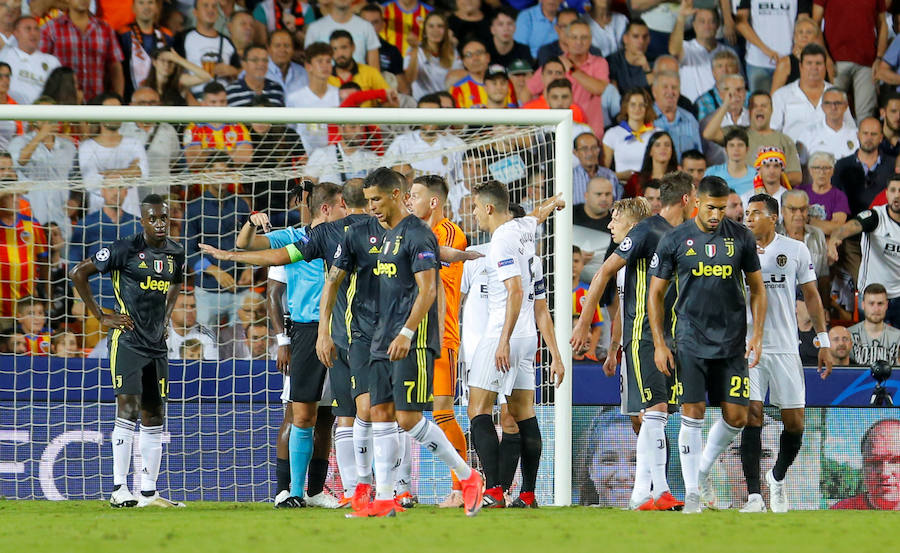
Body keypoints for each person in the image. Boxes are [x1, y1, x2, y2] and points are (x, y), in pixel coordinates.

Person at [350, 168, 485, 517]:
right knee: (380, 413)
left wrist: (408, 333)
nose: (372, 208)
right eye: (367, 202)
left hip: (412, 339)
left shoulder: (418, 233)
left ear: (397, 195)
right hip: (381, 336)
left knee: (409, 419)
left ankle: (469, 478)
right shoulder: (383, 234)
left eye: (376, 200)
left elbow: (428, 290)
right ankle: (383, 499)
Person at [573, 172, 695, 511]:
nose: (610, 224)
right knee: (650, 414)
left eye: (615, 217)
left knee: (657, 416)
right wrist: (584, 323)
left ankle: (647, 493)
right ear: (687, 198)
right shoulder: (646, 232)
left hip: (672, 338)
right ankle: (656, 492)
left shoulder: (678, 237)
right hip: (644, 336)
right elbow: (603, 276)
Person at [648, 175, 767, 514]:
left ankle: (699, 469)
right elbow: (655, 294)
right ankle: (693, 496)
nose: (717, 215)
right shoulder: (675, 239)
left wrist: (756, 334)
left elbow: (758, 289)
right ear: (696, 202)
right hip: (690, 340)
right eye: (711, 207)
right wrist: (660, 343)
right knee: (693, 413)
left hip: (732, 344)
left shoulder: (741, 238)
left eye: (723, 207)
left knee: (738, 416)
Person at [69, 194, 185, 508]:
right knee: (129, 410)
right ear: (143, 220)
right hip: (128, 341)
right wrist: (100, 315)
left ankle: (149, 493)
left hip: (157, 345)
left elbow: (175, 282)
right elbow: (78, 272)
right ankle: (119, 489)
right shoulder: (126, 248)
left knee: (154, 415)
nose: (160, 223)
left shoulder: (176, 251)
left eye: (164, 217)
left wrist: (165, 316)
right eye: (153, 218)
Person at [468, 178, 564, 509]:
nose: (475, 213)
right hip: (528, 337)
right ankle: (528, 492)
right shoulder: (525, 231)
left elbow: (515, 292)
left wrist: (502, 342)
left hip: (502, 333)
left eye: (477, 207)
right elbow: (536, 216)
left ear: (490, 207)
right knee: (523, 413)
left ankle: (494, 489)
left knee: (477, 409)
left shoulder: (499, 242)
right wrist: (553, 204)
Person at [739, 193, 832, 513]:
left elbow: (812, 296)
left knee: (795, 424)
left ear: (773, 218)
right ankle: (753, 495)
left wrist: (823, 342)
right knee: (752, 415)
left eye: (755, 213)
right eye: (746, 213)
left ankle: (776, 477)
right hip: (748, 346)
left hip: (785, 347)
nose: (748, 218)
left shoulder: (795, 250)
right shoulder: (737, 248)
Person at [406, 175, 471, 508]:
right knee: (405, 412)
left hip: (441, 333)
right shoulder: (416, 234)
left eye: (414, 195)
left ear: (433, 201)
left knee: (443, 411)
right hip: (415, 334)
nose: (408, 201)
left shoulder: (447, 233)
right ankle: (402, 488)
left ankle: (462, 486)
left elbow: (433, 285)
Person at [184, 151, 252, 327]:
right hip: (207, 290)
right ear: (207, 173)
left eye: (226, 172)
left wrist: (250, 267)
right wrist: (213, 269)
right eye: (218, 172)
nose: (222, 177)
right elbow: (187, 250)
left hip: (239, 288)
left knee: (241, 342)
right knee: (205, 343)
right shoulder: (193, 208)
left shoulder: (240, 205)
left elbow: (252, 242)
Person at [68, 180, 142, 314]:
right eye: (111, 187)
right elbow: (74, 263)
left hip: (132, 303)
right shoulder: (87, 224)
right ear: (102, 191)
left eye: (120, 187)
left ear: (126, 192)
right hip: (97, 302)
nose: (115, 192)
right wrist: (78, 300)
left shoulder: (137, 225)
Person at [703, 91, 802, 188]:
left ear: (771, 110)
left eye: (764, 106)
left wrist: (768, 178)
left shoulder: (784, 139)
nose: (759, 109)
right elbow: (709, 134)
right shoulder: (737, 134)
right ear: (749, 111)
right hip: (739, 194)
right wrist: (725, 106)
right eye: (754, 106)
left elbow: (797, 176)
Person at [812, 0, 887, 123]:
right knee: (831, 113)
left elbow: (883, 23)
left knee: (866, 117)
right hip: (835, 61)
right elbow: (815, 23)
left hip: (867, 62)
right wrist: (825, 58)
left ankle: (863, 143)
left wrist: (879, 58)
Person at [78, 93, 149, 214]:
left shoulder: (134, 143)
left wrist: (106, 175)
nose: (115, 114)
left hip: (131, 218)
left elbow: (143, 175)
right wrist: (129, 171)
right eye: (110, 110)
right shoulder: (86, 147)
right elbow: (91, 183)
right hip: (99, 220)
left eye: (118, 110)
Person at [40, 0, 125, 100]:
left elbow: (115, 68)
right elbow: (40, 65)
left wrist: (119, 98)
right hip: (61, 103)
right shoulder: (51, 28)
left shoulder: (105, 29)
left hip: (96, 103)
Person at [771, 44, 853, 143]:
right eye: (809, 63)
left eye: (818, 63)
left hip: (831, 155)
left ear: (825, 66)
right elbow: (772, 132)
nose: (814, 68)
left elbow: (850, 129)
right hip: (792, 155)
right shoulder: (781, 95)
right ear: (801, 66)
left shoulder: (837, 95)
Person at [668, 4, 737, 103]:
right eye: (702, 21)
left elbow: (738, 83)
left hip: (723, 109)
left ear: (718, 25)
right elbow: (673, 50)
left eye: (711, 21)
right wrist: (681, 18)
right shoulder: (686, 48)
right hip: (693, 110)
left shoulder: (729, 53)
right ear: (694, 24)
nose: (707, 26)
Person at [173, 0, 241, 98]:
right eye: (205, 6)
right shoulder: (183, 38)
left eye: (214, 6)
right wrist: (190, 100)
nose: (210, 10)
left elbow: (240, 71)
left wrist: (233, 71)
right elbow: (175, 74)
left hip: (224, 99)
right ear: (195, 12)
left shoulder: (227, 41)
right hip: (196, 97)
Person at [831, 419, 900, 510]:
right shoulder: (841, 511)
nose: (885, 473)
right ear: (863, 467)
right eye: (874, 462)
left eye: (896, 461)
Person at [183, 82, 254, 170]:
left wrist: (208, 153)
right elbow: (192, 161)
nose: (218, 106)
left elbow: (246, 158)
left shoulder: (237, 126)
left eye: (222, 101)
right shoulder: (193, 128)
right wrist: (231, 152)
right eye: (213, 102)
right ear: (203, 104)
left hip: (233, 182)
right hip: (203, 183)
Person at [285, 42, 339, 153]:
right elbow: (290, 131)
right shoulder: (294, 98)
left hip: (335, 159)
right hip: (306, 160)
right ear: (308, 66)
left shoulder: (338, 95)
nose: (325, 66)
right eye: (320, 61)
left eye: (328, 61)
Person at [735, 0, 798, 94]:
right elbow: (740, 22)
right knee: (760, 105)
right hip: (757, 61)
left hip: (788, 61)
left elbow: (803, 21)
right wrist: (766, 50)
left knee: (787, 105)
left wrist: (796, 48)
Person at [118, 0, 174, 102]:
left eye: (150, 2)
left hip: (159, 99)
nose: (146, 7)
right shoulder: (123, 34)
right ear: (133, 8)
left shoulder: (166, 35)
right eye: (141, 3)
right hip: (131, 97)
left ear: (157, 7)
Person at [0, 15, 60, 105]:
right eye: (28, 29)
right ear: (16, 33)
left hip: (44, 116)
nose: (33, 33)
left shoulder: (52, 62)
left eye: (36, 29)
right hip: (10, 115)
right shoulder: (5, 56)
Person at [602, 88, 657, 182]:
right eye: (633, 105)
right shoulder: (612, 134)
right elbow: (603, 172)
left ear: (647, 108)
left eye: (642, 105)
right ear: (625, 107)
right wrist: (620, 175)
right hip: (621, 187)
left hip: (650, 188)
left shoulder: (656, 134)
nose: (637, 109)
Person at [304, 0, 379, 68]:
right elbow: (309, 67)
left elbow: (375, 69)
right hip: (326, 82)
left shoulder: (366, 27)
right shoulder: (314, 28)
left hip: (360, 82)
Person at [403, 11, 460, 100]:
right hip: (423, 103)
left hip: (446, 104)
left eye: (440, 26)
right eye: (431, 26)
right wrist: (415, 50)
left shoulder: (453, 51)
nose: (435, 30)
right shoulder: (414, 50)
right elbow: (409, 80)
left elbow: (459, 79)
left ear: (446, 31)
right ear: (424, 31)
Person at [770, 15, 834, 94]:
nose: (804, 36)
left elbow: (833, 93)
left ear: (816, 37)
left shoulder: (826, 62)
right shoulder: (785, 63)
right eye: (800, 32)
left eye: (809, 32)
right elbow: (774, 96)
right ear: (795, 37)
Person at [779, 189, 830, 287]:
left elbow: (824, 276)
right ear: (782, 211)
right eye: (793, 209)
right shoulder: (774, 236)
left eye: (803, 209)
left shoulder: (817, 234)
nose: (799, 214)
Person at [798, 88, 858, 162]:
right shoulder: (808, 134)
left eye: (838, 103)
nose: (833, 107)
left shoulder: (856, 135)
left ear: (845, 106)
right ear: (822, 107)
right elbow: (799, 166)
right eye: (828, 103)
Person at [305, 123, 378, 184]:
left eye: (362, 127)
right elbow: (307, 186)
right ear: (341, 129)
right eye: (353, 127)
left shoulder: (370, 157)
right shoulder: (322, 154)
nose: (359, 131)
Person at [651, 70, 700, 158]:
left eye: (674, 87)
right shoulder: (645, 117)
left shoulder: (690, 119)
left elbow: (698, 155)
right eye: (665, 87)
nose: (670, 92)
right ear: (654, 91)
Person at [798, 151, 849, 237]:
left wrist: (808, 220)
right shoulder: (800, 191)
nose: (822, 172)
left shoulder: (839, 196)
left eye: (826, 168)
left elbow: (837, 228)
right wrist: (824, 225)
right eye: (817, 168)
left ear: (832, 171)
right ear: (810, 170)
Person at [847, 284, 900, 366]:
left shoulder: (898, 337)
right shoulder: (847, 335)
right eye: (871, 303)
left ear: (886, 305)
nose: (876, 309)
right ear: (863, 305)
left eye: (880, 304)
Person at [573, 176, 614, 283]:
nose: (604, 198)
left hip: (602, 289)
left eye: (608, 194)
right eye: (599, 194)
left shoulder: (616, 222)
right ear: (586, 195)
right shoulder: (569, 215)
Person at [534, 8, 602, 68]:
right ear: (557, 29)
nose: (568, 30)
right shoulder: (546, 52)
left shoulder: (594, 52)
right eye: (564, 26)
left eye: (572, 25)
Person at [623, 131, 677, 200]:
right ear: (650, 151)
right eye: (657, 145)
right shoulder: (635, 180)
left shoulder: (679, 180)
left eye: (667, 145)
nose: (663, 148)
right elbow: (624, 206)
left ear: (672, 150)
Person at [166, 290, 218, 360]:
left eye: (193, 306)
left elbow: (211, 368)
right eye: (183, 307)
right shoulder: (159, 334)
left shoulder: (207, 336)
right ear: (170, 311)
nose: (189, 311)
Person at [694, 50, 743, 123]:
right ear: (713, 72)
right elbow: (704, 130)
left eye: (729, 66)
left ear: (737, 70)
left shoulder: (749, 97)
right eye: (720, 66)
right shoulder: (703, 101)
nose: (725, 70)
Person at [705, 127, 754, 196]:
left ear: (747, 149)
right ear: (726, 149)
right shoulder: (712, 173)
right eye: (731, 145)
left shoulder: (756, 176)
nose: (736, 149)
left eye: (740, 145)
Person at [742, 146, 789, 212]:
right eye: (767, 166)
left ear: (782, 170)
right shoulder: (746, 198)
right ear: (759, 170)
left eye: (776, 166)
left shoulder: (789, 197)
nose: (772, 171)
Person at [266, 29, 308, 98]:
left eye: (287, 45)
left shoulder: (303, 73)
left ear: (293, 49)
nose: (282, 50)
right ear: (268, 48)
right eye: (277, 46)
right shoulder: (257, 72)